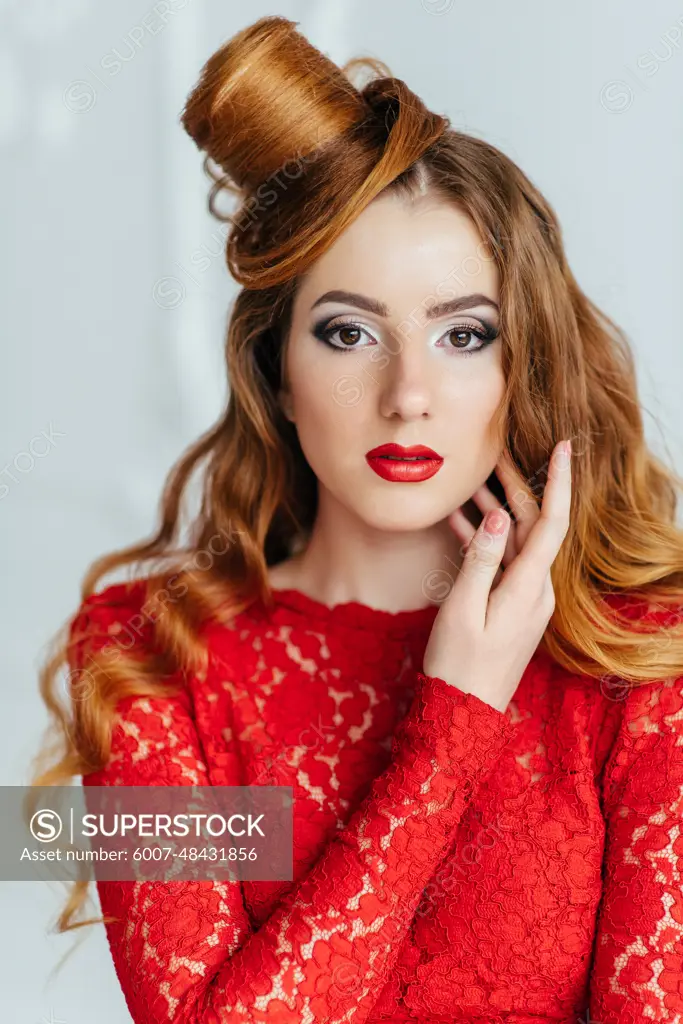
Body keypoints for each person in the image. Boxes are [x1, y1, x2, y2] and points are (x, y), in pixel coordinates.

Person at [30, 15, 683, 1024]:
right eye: (347, 332)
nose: (407, 392)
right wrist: (454, 721)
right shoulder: (144, 657)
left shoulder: (639, 660)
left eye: (462, 333)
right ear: (276, 373)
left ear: (522, 367)